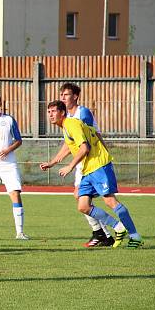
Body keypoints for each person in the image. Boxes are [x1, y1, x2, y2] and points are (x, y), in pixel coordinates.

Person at [40, 100, 143, 248]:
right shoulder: (67, 127)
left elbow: (84, 148)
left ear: (62, 112)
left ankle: (135, 236)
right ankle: (118, 227)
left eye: (53, 111)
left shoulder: (71, 124)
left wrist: (70, 166)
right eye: (49, 112)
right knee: (83, 205)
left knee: (109, 201)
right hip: (88, 169)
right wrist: (52, 162)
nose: (50, 114)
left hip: (99, 165)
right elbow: (70, 147)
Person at [59, 83, 114, 247]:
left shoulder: (82, 113)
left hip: (92, 160)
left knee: (105, 198)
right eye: (61, 95)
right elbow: (70, 143)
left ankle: (116, 231)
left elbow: (88, 139)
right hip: (82, 161)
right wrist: (55, 160)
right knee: (81, 198)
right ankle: (102, 233)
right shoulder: (67, 117)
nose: (63, 98)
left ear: (75, 96)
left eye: (66, 95)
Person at [0, 93, 29, 240]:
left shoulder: (8, 120)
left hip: (8, 164)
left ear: (0, 103)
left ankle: (20, 232)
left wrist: (8, 149)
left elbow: (18, 140)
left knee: (15, 193)